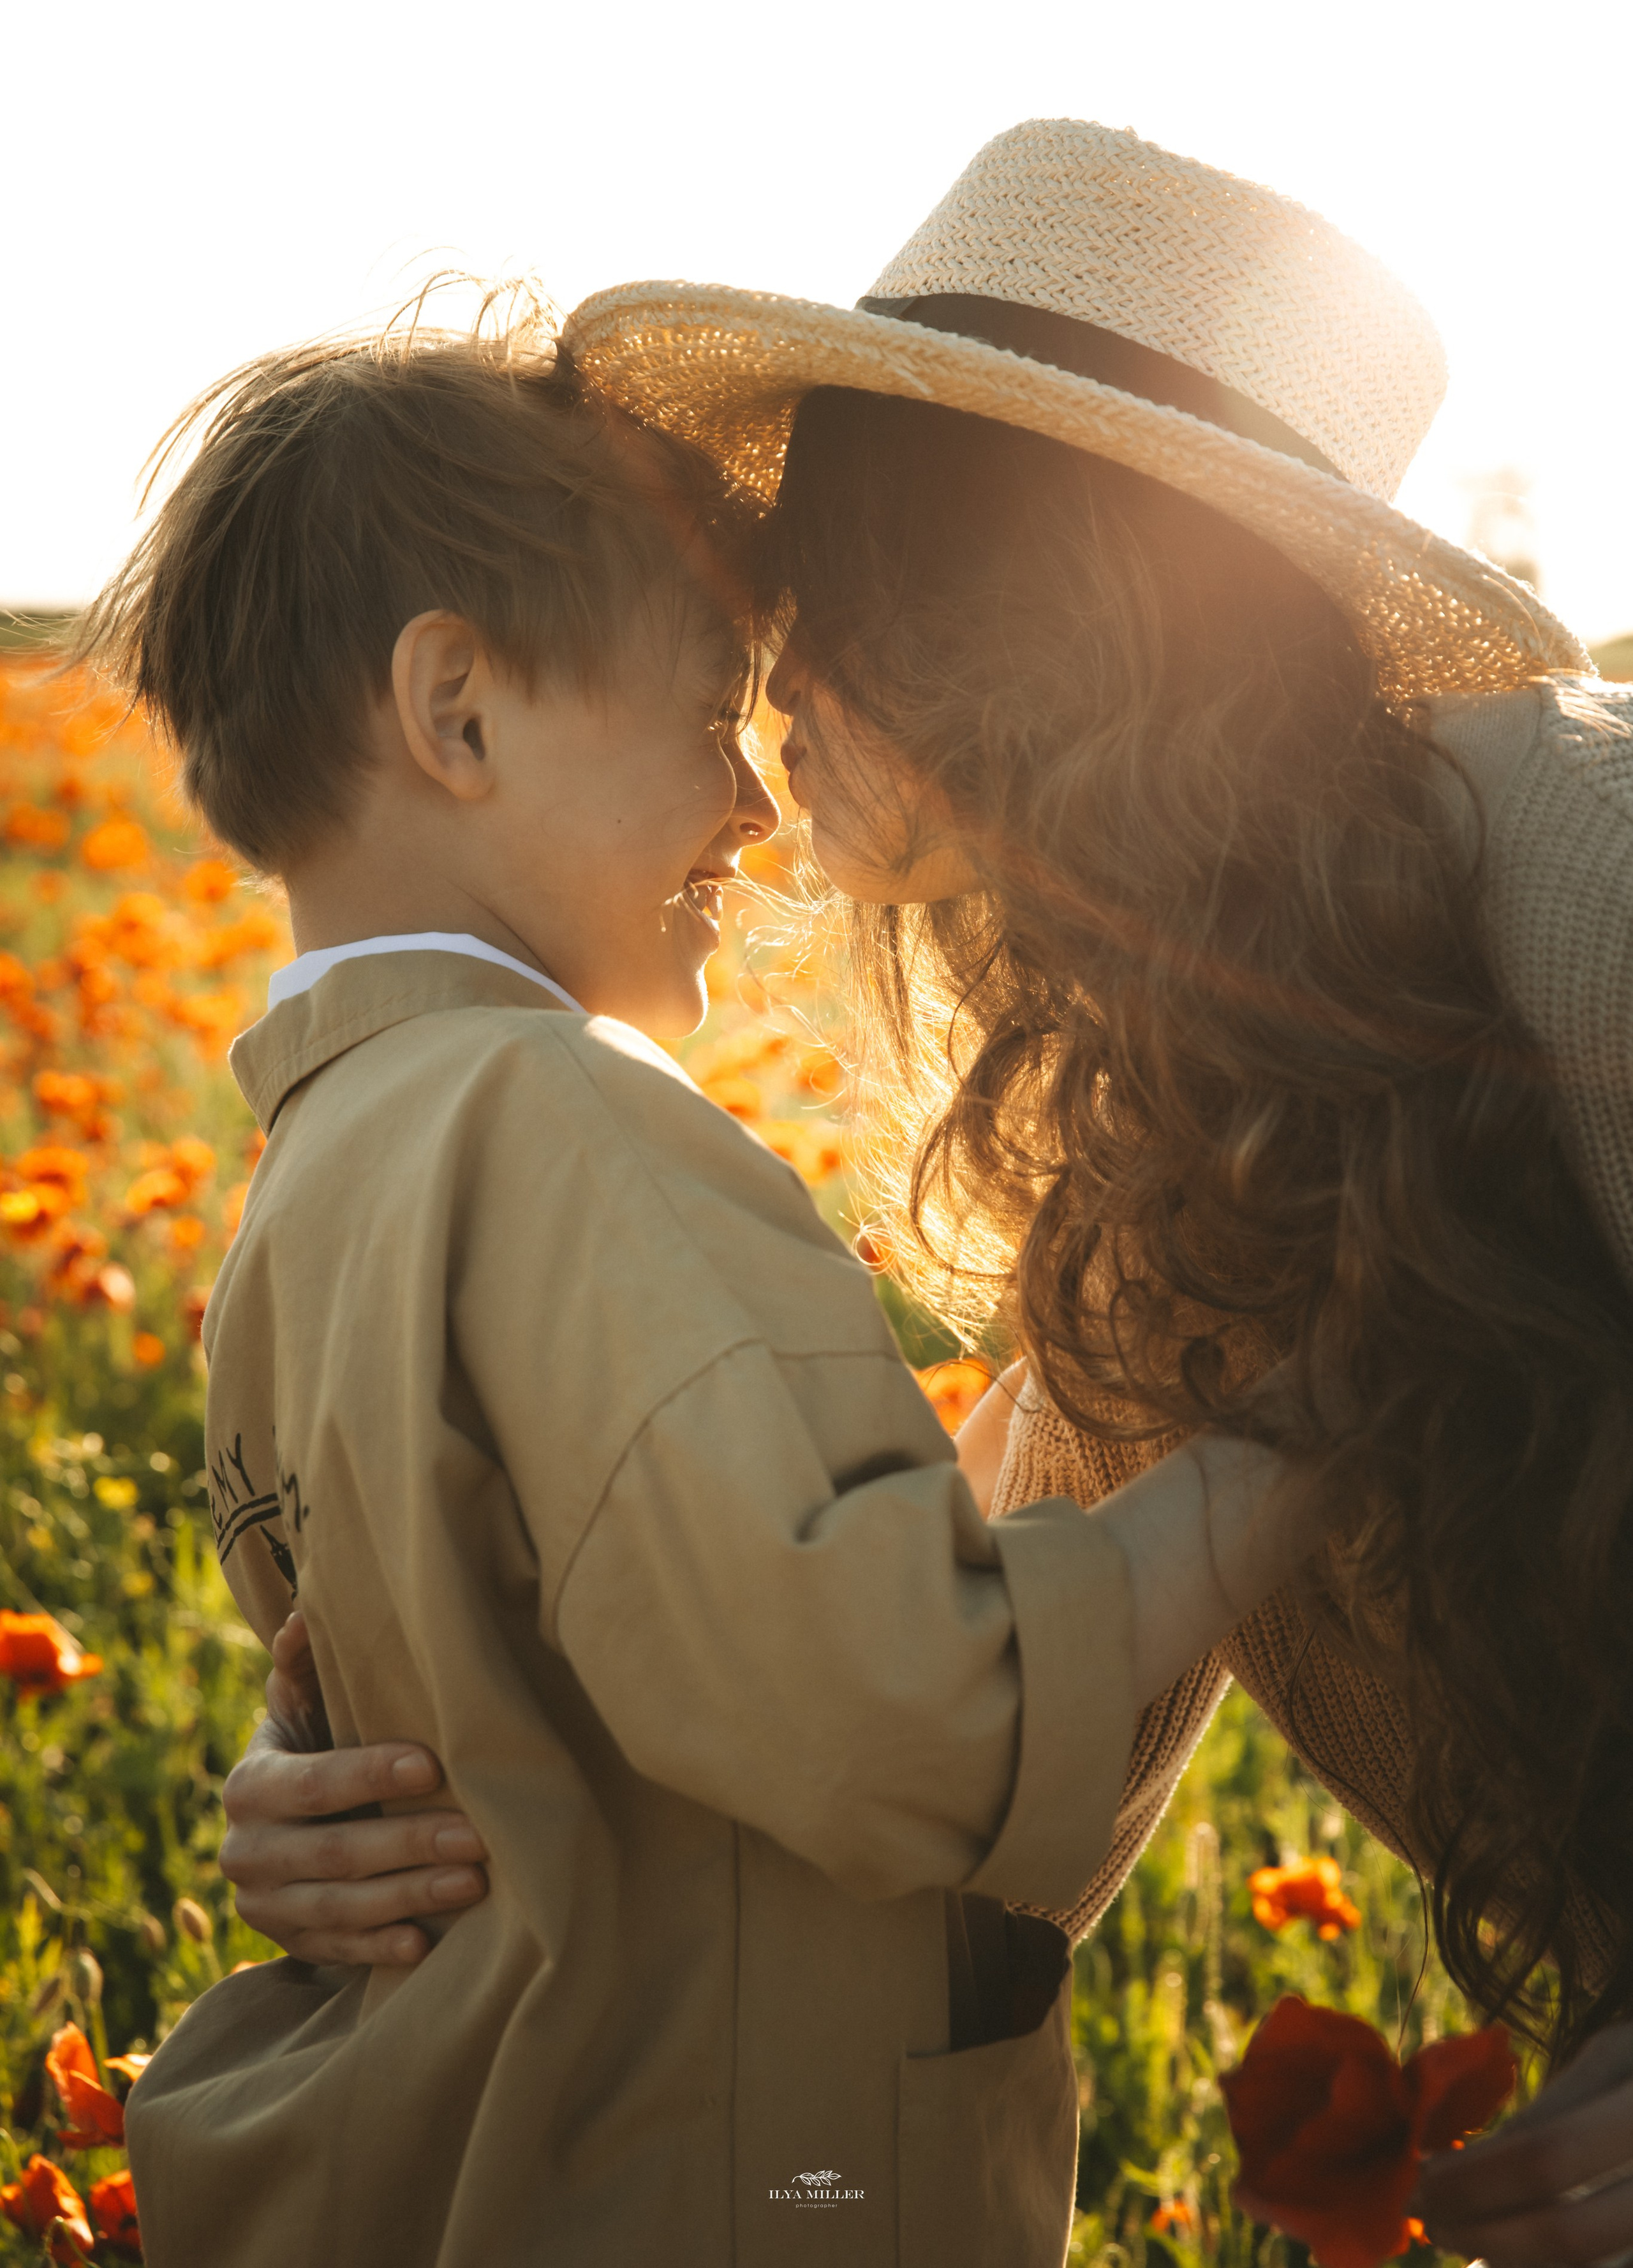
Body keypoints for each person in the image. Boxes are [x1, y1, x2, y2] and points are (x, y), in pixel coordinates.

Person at [232, 122, 1633, 2253]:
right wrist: (459, 1795)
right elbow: (954, 1738)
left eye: (850, 573)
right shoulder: (1171, 1103)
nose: (775, 693)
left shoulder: (1586, 893)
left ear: (1064, 594)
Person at [76, 290, 1329, 2268]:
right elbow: (900, 1714)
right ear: (457, 712)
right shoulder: (563, 1119)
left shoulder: (309, 1189)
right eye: (703, 714)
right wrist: (1299, 1448)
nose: (752, 807)